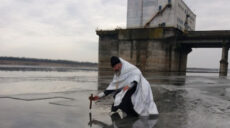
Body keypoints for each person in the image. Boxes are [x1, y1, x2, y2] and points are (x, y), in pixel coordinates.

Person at [89, 56, 158, 116]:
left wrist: (129, 85)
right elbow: (111, 88)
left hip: (139, 86)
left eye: (115, 66)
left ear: (119, 64)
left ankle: (133, 114)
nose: (115, 69)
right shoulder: (118, 73)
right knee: (117, 95)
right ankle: (117, 111)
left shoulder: (129, 68)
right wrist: (98, 96)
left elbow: (137, 75)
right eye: (113, 67)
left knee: (126, 98)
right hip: (128, 88)